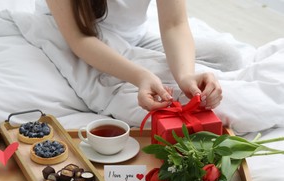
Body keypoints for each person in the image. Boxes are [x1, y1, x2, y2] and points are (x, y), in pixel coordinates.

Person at [45, 0, 243, 113]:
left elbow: (174, 24)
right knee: (145, 99)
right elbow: (80, 38)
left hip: (134, 35)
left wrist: (185, 75)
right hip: (85, 36)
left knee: (227, 58)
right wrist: (139, 76)